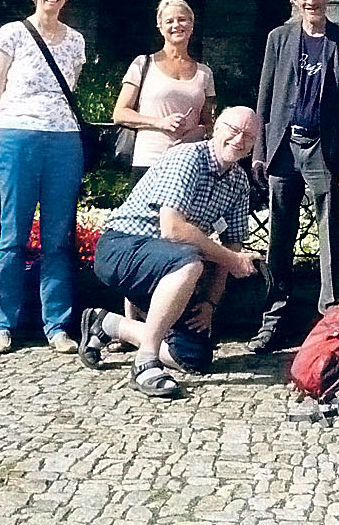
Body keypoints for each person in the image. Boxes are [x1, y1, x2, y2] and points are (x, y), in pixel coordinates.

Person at [78, 108, 263, 397]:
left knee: (192, 356)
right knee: (189, 263)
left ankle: (107, 324)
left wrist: (210, 303)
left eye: (249, 136)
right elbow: (173, 229)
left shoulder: (239, 182)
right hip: (120, 248)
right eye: (233, 130)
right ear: (216, 127)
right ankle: (145, 363)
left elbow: (233, 246)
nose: (239, 140)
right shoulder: (188, 158)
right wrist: (232, 260)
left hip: (167, 266)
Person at [249, 0, 339, 352]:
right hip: (284, 147)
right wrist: (261, 151)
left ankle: (330, 317)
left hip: (324, 149)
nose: (311, 0)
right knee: (279, 235)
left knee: (330, 233)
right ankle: (274, 318)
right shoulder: (279, 38)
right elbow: (265, 96)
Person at [0, 0, 87, 356]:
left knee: (58, 238)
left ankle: (57, 324)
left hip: (64, 141)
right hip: (18, 138)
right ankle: (4, 323)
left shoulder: (76, 40)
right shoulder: (12, 33)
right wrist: (23, 118)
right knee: (12, 234)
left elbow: (69, 88)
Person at [112, 0, 216, 188]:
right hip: (148, 160)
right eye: (169, 21)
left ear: (192, 25)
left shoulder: (205, 73)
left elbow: (208, 123)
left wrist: (199, 131)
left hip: (188, 162)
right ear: (160, 28)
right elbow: (120, 113)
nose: (176, 25)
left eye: (182, 19)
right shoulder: (143, 64)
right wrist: (160, 122)